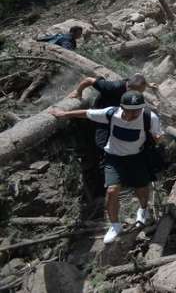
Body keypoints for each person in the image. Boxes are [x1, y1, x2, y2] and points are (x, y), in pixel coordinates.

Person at [50, 91, 164, 244]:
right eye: (131, 110)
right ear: (122, 107)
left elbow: (158, 136)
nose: (134, 114)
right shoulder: (111, 113)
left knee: (141, 187)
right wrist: (64, 114)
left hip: (137, 157)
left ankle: (143, 210)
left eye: (138, 110)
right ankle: (115, 225)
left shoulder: (149, 117)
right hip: (113, 158)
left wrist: (158, 139)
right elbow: (87, 113)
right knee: (112, 190)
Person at [67, 73, 149, 200]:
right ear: (129, 88)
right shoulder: (113, 87)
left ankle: (119, 177)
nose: (139, 95)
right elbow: (89, 80)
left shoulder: (133, 87)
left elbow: (140, 81)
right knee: (102, 147)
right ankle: (102, 187)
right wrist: (78, 92)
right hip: (103, 117)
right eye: (139, 92)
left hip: (118, 118)